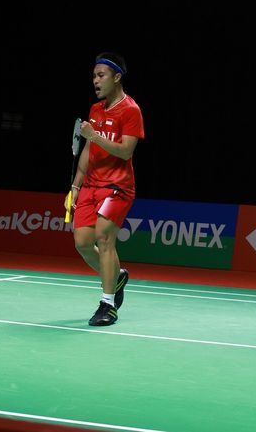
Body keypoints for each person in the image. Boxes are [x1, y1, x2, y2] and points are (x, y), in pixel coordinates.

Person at [65, 52, 145, 326]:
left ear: (117, 77)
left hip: (117, 186)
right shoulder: (95, 110)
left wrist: (95, 135)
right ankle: (118, 275)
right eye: (93, 76)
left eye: (101, 76)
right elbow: (89, 149)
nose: (95, 81)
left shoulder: (131, 110)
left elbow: (125, 152)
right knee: (83, 243)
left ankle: (107, 305)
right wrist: (76, 185)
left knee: (104, 236)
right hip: (91, 185)